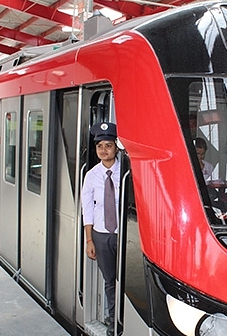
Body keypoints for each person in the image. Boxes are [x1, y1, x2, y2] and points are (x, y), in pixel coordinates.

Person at [81, 122, 120, 336]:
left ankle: (119, 316)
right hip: (102, 236)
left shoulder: (126, 172)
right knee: (109, 281)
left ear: (116, 147)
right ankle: (113, 322)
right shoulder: (91, 176)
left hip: (123, 236)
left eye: (108, 145)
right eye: (100, 147)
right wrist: (89, 240)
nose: (104, 150)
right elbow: (87, 210)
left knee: (122, 280)